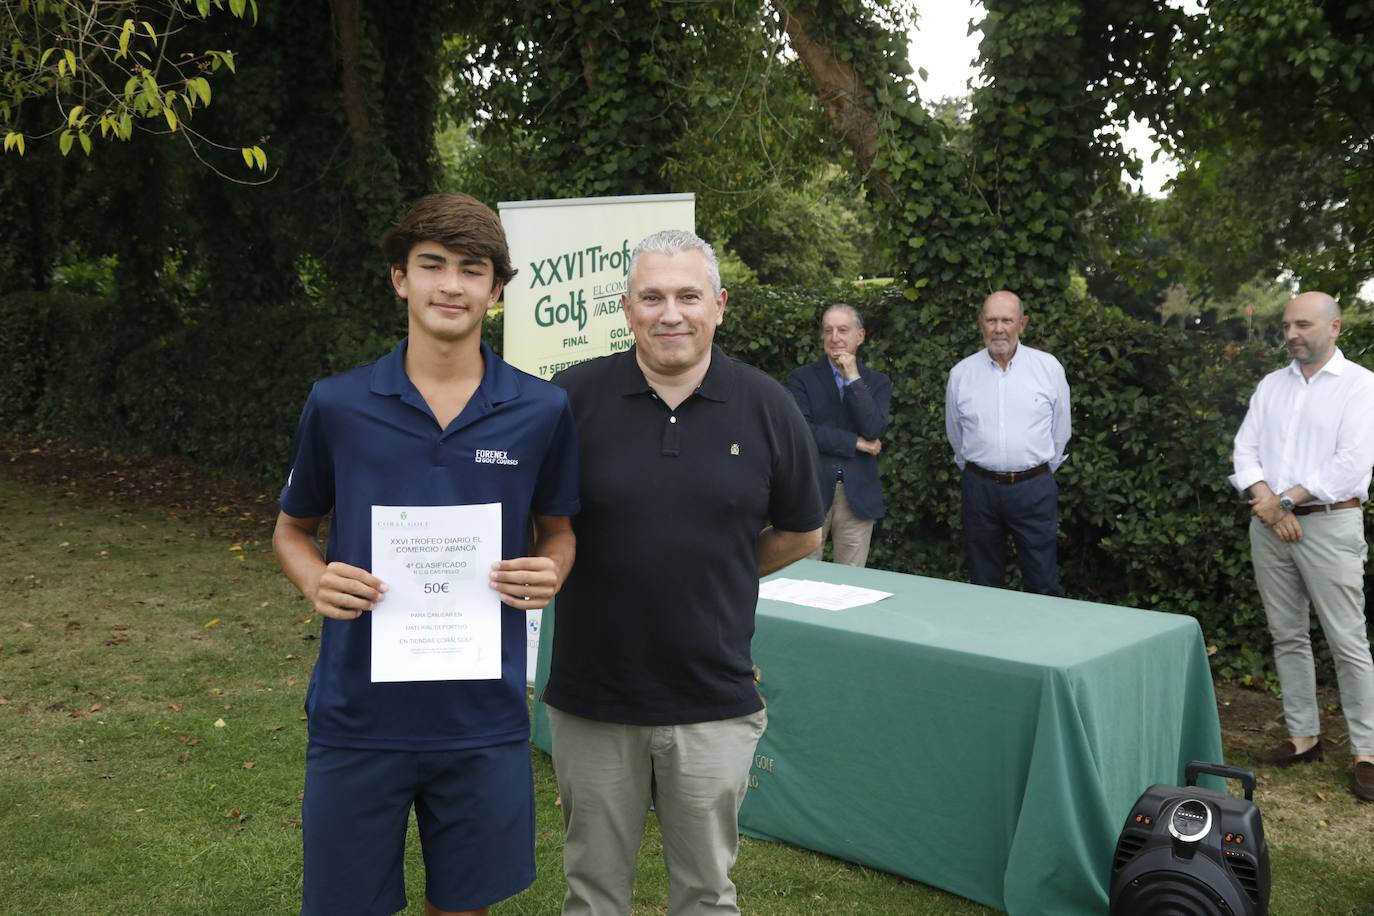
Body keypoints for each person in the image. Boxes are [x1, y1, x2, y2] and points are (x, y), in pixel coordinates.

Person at [271, 192, 580, 916]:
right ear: (399, 278)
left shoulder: (541, 411)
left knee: (463, 907)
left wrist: (553, 568)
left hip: (483, 717)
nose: (451, 285)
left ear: (496, 290)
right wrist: (316, 579)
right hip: (358, 715)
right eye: (431, 264)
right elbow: (291, 528)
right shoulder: (340, 405)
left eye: (472, 270)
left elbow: (560, 531)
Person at [544, 229, 824, 916]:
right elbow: (536, 524)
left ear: (719, 305)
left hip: (712, 701)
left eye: (688, 295)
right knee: (593, 893)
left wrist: (723, 568)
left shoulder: (767, 406)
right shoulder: (571, 399)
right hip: (593, 699)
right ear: (627, 307)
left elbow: (803, 532)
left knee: (705, 894)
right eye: (652, 296)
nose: (671, 312)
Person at [1230, 291, 1374, 802]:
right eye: (1287, 325)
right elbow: (1244, 449)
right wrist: (1266, 500)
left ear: (1335, 328)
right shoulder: (1272, 385)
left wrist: (1283, 501)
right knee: (1286, 634)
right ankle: (1303, 737)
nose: (1291, 334)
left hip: (1330, 524)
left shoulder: (1360, 386)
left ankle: (1367, 751)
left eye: (1303, 325)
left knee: (1347, 641)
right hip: (1270, 525)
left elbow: (1351, 463)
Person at [944, 290, 1070, 596]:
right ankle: (989, 641)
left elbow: (1061, 430)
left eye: (1007, 320)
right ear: (981, 324)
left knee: (1042, 579)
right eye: (991, 320)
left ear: (1022, 324)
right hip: (980, 488)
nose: (999, 328)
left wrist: (1037, 469)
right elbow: (955, 434)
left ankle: (1044, 642)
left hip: (1034, 487)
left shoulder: (1048, 368)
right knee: (984, 581)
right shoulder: (961, 374)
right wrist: (980, 469)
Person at [787, 303, 892, 567]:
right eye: (828, 330)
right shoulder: (802, 378)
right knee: (803, 574)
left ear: (860, 335)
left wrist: (853, 378)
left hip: (857, 491)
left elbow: (874, 429)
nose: (834, 337)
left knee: (851, 578)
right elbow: (802, 432)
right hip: (811, 487)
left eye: (843, 330)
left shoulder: (877, 382)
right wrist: (855, 442)